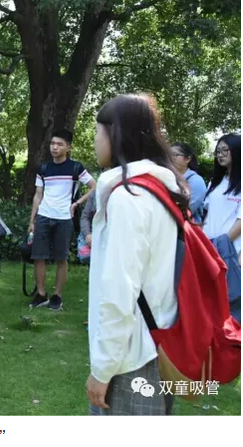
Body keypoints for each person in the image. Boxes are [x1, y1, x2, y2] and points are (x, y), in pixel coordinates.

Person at [86, 94, 183, 415]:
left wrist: (102, 369)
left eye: (98, 131)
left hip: (130, 359)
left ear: (115, 134)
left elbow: (119, 291)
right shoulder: (159, 190)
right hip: (157, 345)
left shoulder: (128, 197)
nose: (95, 140)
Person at [27, 129, 96, 310]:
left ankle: (57, 295)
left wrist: (77, 203)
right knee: (38, 257)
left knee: (61, 258)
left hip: (64, 218)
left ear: (68, 147)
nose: (55, 147)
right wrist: (32, 221)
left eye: (59, 144)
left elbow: (94, 186)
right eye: (52, 143)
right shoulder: (43, 169)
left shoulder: (75, 168)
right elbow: (38, 195)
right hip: (43, 216)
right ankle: (41, 294)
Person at [202, 133, 241, 322]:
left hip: (230, 252)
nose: (220, 154)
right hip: (209, 248)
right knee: (211, 304)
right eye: (217, 151)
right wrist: (204, 243)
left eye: (225, 150)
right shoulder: (215, 183)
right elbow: (207, 215)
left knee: (232, 304)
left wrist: (220, 244)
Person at [170, 142, 207, 223]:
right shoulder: (168, 177)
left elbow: (187, 210)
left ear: (187, 159)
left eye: (174, 155)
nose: (170, 158)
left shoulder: (196, 181)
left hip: (185, 227)